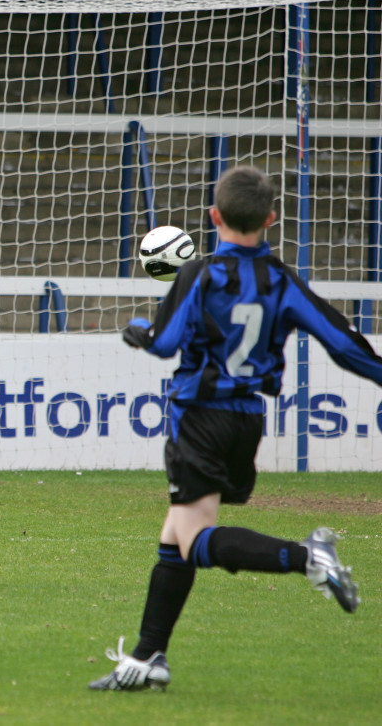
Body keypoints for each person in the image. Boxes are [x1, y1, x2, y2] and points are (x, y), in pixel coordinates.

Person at [88, 166, 376, 692]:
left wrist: (138, 333)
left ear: (214, 216)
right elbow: (342, 342)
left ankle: (307, 557)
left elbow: (165, 343)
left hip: (200, 416)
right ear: (270, 218)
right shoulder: (281, 280)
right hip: (248, 421)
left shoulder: (198, 275)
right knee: (174, 540)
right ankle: (150, 658)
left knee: (193, 534)